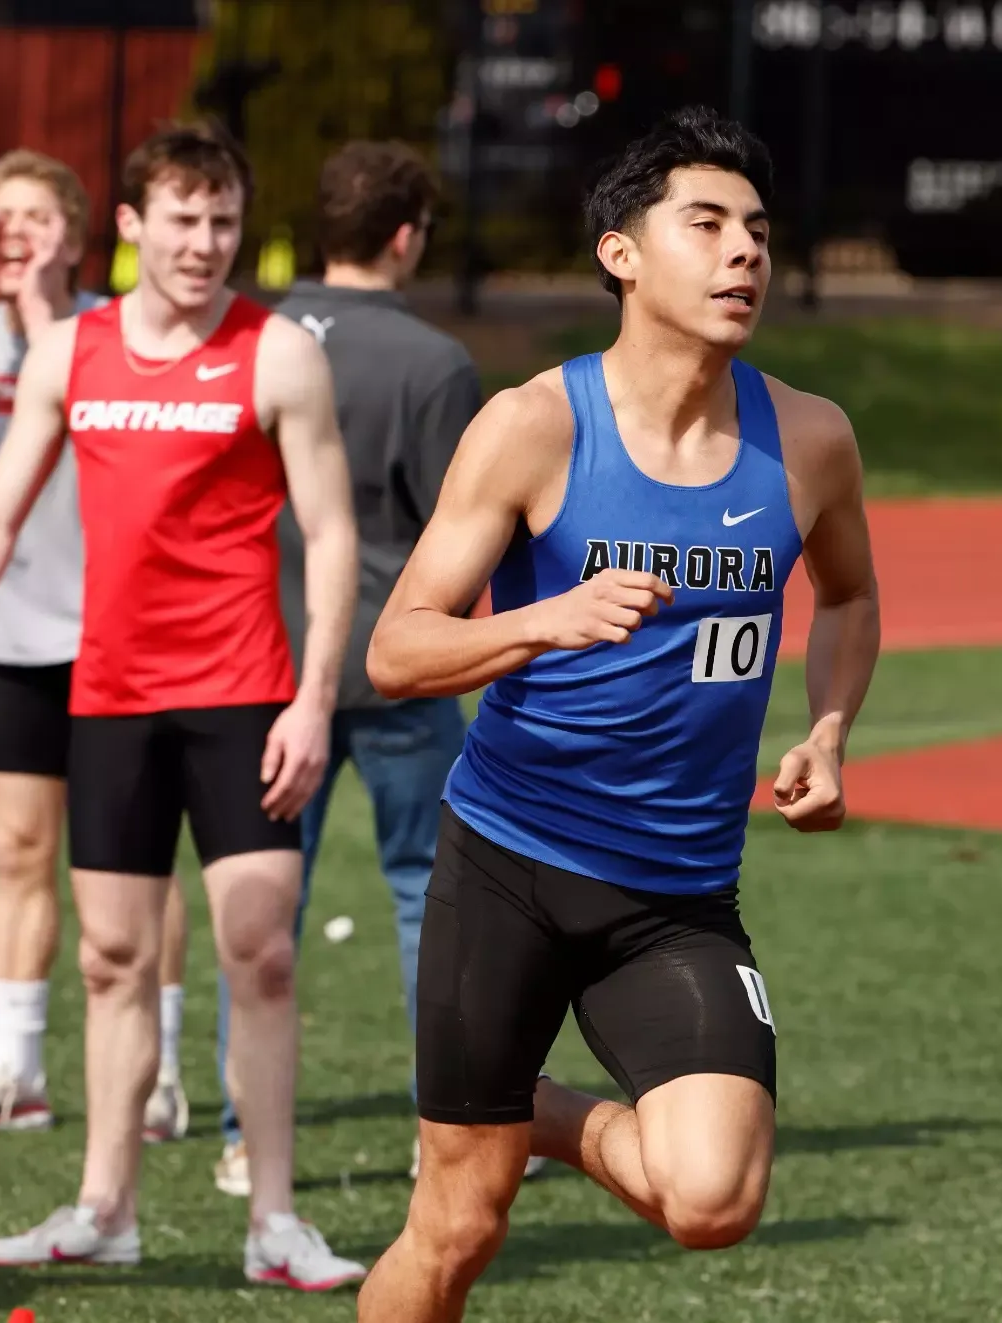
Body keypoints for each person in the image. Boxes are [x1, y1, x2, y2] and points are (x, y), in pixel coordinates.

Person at [353, 106, 880, 1319]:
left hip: (676, 897)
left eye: (755, 228)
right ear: (620, 252)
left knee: (712, 1199)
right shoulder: (535, 425)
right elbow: (398, 650)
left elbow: (847, 599)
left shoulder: (808, 440)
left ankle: (525, 1110)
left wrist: (829, 726)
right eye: (705, 224)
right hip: (509, 872)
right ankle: (491, 1117)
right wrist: (541, 619)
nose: (743, 251)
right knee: (456, 1228)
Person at [0, 122, 364, 1289]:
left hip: (244, 698)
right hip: (113, 699)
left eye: (224, 222)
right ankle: (105, 1207)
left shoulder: (278, 354)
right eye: (182, 221)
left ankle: (274, 1223)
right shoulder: (70, 355)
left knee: (261, 953)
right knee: (110, 960)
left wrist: (314, 699)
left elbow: (332, 533)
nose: (204, 243)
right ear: (133, 228)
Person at [208, 138, 527, 1196]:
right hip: (390, 660)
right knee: (425, 896)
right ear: (403, 236)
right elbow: (459, 523)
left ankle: (241, 1132)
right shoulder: (432, 363)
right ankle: (451, 1120)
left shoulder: (252, 336)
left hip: (265, 654)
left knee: (259, 900)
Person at [0, 148, 191, 1143]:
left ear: (79, 234)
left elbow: (89, 420)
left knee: (137, 862)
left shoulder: (111, 337)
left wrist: (27, 311)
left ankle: (158, 1072)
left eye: (39, 216)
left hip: (124, 635)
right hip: (23, 638)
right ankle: (12, 1069)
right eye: (3, 216)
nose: (19, 231)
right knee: (18, 847)